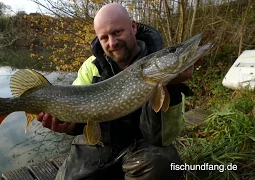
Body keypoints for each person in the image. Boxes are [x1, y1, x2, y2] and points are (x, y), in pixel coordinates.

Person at [38, 3, 195, 180]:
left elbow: (166, 136)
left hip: (141, 147)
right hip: (99, 145)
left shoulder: (156, 63)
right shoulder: (91, 67)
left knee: (163, 163)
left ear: (133, 27)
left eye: (117, 32)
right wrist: (71, 126)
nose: (112, 43)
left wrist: (172, 87)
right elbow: (77, 111)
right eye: (104, 37)